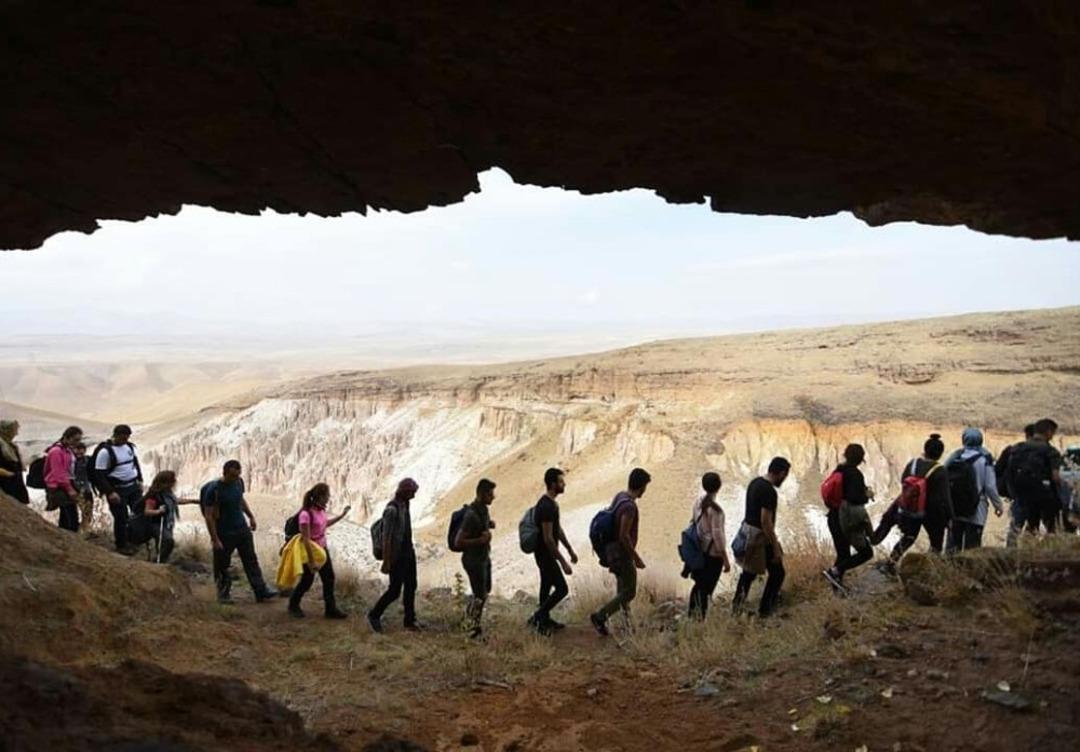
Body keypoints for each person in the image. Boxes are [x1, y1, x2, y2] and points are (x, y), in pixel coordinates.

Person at [200, 460, 277, 604]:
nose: (236, 478)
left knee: (251, 560)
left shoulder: (238, 483)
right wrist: (215, 538)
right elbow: (209, 515)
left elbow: (240, 500)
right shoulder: (214, 490)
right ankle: (223, 594)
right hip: (224, 532)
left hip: (241, 529)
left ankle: (260, 590)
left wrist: (251, 516)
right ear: (225, 472)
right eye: (233, 475)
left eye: (238, 475)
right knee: (222, 564)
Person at [590, 468, 651, 636]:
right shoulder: (629, 507)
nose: (645, 490)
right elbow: (624, 535)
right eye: (645, 486)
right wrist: (636, 558)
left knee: (622, 590)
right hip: (622, 554)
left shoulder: (620, 496)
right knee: (630, 591)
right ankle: (600, 616)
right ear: (641, 486)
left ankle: (628, 625)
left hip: (612, 553)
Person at [732, 457, 791, 617]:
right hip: (759, 537)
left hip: (747, 532)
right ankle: (765, 610)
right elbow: (765, 521)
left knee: (749, 573)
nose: (784, 480)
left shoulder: (755, 482)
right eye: (785, 476)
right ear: (781, 473)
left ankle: (737, 608)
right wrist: (775, 545)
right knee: (778, 573)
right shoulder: (769, 492)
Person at [288, 483, 350, 619]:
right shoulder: (305, 514)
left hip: (322, 549)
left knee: (329, 578)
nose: (328, 498)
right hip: (311, 551)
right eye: (327, 495)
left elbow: (324, 524)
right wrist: (311, 561)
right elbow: (306, 539)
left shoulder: (320, 510)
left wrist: (342, 515)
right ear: (320, 496)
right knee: (307, 580)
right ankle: (293, 604)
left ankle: (330, 609)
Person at [528, 468, 578, 635]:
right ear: (552, 484)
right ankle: (537, 618)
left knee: (546, 586)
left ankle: (544, 620)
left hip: (546, 554)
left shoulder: (551, 504)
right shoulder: (546, 506)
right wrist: (563, 562)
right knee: (562, 589)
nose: (564, 484)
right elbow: (549, 538)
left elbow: (557, 530)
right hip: (545, 555)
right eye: (561, 482)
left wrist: (569, 549)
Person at [368, 478, 422, 633]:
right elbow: (387, 537)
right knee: (394, 590)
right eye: (412, 492)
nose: (414, 496)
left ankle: (410, 620)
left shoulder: (405, 505)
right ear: (405, 491)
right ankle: (374, 615)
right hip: (397, 556)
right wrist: (387, 561)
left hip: (408, 553)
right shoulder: (391, 510)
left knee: (411, 586)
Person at [890, 434, 953, 561]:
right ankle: (932, 567)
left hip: (911, 508)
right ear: (940, 453)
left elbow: (904, 481)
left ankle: (891, 563)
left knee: (908, 537)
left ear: (925, 450)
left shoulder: (913, 464)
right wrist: (950, 517)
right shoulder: (940, 470)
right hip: (932, 513)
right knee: (936, 543)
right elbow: (944, 497)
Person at [823, 444, 875, 591]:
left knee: (843, 554)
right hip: (846, 519)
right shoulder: (855, 474)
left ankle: (836, 587)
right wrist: (866, 495)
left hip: (833, 516)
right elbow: (854, 498)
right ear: (860, 459)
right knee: (866, 553)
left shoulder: (839, 470)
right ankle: (834, 572)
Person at [1006, 418, 1063, 545]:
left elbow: (1009, 473)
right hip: (1044, 496)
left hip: (1020, 494)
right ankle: (1044, 553)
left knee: (1016, 528)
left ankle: (1010, 554)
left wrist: (1013, 492)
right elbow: (1055, 477)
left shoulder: (1017, 448)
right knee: (1051, 529)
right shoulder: (1051, 451)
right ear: (1048, 432)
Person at [945, 428, 1004, 552]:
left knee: (952, 548)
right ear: (980, 441)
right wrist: (998, 505)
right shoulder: (985, 460)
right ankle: (967, 571)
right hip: (977, 508)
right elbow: (990, 486)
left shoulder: (955, 457)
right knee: (972, 550)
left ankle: (948, 570)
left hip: (955, 508)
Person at [454, 478, 497, 639]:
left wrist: (488, 524)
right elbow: (458, 542)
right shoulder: (471, 515)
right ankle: (473, 630)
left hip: (483, 557)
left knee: (484, 591)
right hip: (473, 560)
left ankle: (469, 620)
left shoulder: (483, 510)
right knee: (480, 595)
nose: (493, 497)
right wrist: (480, 541)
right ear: (482, 494)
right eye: (491, 494)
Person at [91, 425, 144, 554]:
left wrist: (140, 480)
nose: (125, 439)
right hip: (117, 489)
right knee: (121, 518)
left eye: (127, 437)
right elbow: (99, 475)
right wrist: (110, 492)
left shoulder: (129, 447)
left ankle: (134, 540)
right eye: (123, 437)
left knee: (139, 513)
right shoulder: (105, 452)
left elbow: (134, 463)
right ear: (116, 435)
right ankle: (121, 545)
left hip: (133, 486)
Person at [687, 472, 731, 619]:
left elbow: (692, 522)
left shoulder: (698, 503)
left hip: (699, 551)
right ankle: (700, 619)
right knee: (707, 589)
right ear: (719, 487)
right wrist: (725, 558)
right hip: (713, 554)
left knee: (698, 584)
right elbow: (718, 536)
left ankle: (691, 615)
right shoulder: (716, 511)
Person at [140, 471, 200, 563]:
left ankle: (160, 562)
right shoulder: (153, 495)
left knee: (163, 543)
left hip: (167, 523)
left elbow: (175, 501)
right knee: (168, 541)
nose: (175, 482)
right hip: (156, 524)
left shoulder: (168, 493)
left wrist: (192, 501)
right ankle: (158, 561)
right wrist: (159, 511)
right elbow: (147, 511)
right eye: (173, 480)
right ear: (165, 482)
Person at [44, 426, 83, 532]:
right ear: (67, 437)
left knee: (65, 515)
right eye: (75, 440)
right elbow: (59, 473)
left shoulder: (67, 450)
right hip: (59, 486)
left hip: (68, 482)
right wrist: (69, 489)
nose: (77, 442)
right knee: (71, 516)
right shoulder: (56, 452)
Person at [0, 419, 30, 505]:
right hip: (6, 485)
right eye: (14, 430)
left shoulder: (11, 445)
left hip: (16, 483)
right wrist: (8, 474)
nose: (16, 434)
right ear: (6, 430)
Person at [72, 443, 96, 533]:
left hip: (86, 489)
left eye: (81, 451)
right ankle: (78, 530)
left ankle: (85, 529)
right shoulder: (70, 461)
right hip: (74, 489)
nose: (79, 453)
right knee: (74, 512)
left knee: (88, 511)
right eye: (77, 450)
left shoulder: (88, 460)